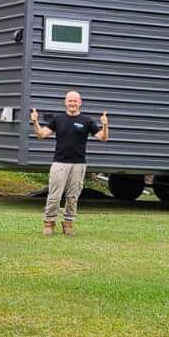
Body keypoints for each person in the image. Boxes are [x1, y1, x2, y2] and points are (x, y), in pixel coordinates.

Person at [30, 92, 109, 236]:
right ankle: (49, 222)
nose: (72, 103)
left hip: (78, 164)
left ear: (80, 102)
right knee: (54, 195)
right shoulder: (58, 119)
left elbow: (102, 138)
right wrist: (35, 122)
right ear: (65, 102)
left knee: (73, 196)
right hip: (59, 163)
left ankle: (68, 223)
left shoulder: (86, 121)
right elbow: (41, 134)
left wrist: (105, 125)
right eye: (70, 100)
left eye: (75, 101)